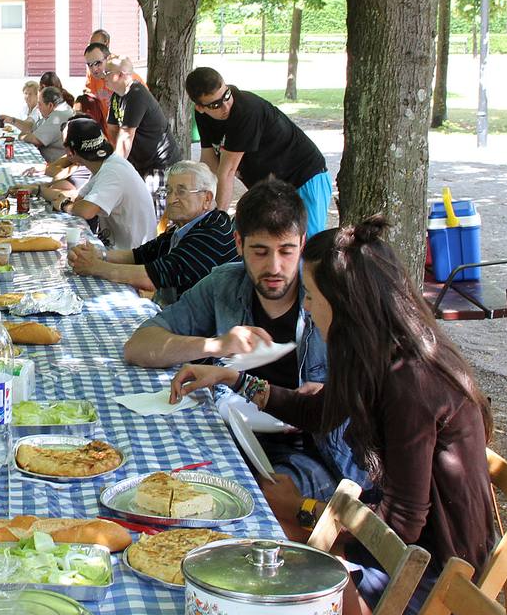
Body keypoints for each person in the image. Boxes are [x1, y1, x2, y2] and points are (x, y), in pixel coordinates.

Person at [170, 217, 496, 615]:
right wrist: (232, 377)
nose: (305, 305)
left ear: (344, 304)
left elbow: (403, 525)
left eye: (312, 296)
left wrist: (308, 512)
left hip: (432, 576)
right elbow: (317, 413)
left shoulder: (410, 383)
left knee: (271, 579)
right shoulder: (375, 355)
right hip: (398, 549)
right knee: (261, 537)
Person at [123, 179, 362, 501]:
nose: (274, 267)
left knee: (266, 495)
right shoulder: (225, 284)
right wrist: (215, 344)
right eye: (260, 252)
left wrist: (334, 396)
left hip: (315, 448)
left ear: (303, 244)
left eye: (286, 251)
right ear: (239, 243)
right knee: (156, 474)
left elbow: (381, 382)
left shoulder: (329, 293)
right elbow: (138, 346)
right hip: (230, 434)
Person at [186, 66, 332, 236]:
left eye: (226, 95)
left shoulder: (246, 111)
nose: (226, 106)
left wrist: (216, 223)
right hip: (271, 189)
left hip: (305, 178)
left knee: (304, 248)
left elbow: (226, 172)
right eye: (216, 104)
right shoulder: (203, 116)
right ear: (200, 107)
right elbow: (209, 164)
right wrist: (203, 207)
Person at [69, 160, 237, 305]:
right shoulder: (188, 226)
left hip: (210, 328)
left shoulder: (212, 233)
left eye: (181, 192)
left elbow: (152, 277)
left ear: (207, 198)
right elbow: (140, 255)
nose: (171, 200)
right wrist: (100, 255)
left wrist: (96, 267)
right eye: (169, 191)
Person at [49, 117, 156, 251]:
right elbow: (79, 199)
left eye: (64, 145)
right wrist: (40, 190)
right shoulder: (108, 164)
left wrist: (64, 204)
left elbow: (86, 211)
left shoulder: (112, 171)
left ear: (71, 152)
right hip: (118, 249)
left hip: (132, 257)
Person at [103, 55, 175, 186]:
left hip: (159, 164)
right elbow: (112, 130)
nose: (104, 76)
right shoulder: (116, 96)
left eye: (107, 72)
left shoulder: (136, 94)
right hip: (140, 163)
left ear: (121, 74)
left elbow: (126, 136)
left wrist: (115, 170)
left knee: (151, 204)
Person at [20, 87, 76, 163]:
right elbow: (34, 128)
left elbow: (36, 139)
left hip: (54, 165)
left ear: (50, 105)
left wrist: (22, 136)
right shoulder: (61, 109)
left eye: (39, 104)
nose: (38, 108)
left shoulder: (58, 115)